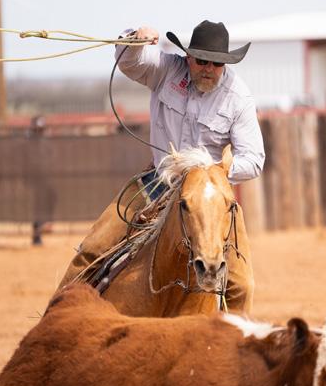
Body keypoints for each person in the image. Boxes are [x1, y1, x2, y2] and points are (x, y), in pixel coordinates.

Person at [57, 20, 265, 314]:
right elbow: (129, 62)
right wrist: (136, 39)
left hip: (210, 197)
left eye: (217, 63)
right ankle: (57, 320)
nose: (208, 68)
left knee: (241, 285)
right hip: (158, 182)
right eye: (202, 61)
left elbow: (254, 159)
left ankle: (230, 339)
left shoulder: (238, 97)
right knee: (91, 251)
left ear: (225, 64)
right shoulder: (167, 70)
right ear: (188, 57)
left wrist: (213, 171)